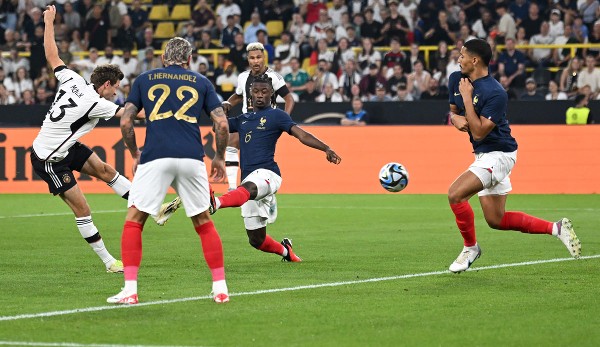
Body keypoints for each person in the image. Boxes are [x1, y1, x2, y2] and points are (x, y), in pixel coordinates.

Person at [30, 6, 179, 275]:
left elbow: (52, 55)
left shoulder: (72, 78)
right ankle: (109, 262)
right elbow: (133, 115)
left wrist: (48, 21)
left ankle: (154, 209)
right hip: (49, 159)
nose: (118, 91)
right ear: (107, 85)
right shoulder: (96, 103)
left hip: (65, 147)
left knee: (106, 171)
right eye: (117, 86)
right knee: (83, 209)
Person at [107, 37, 231, 305]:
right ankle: (220, 288)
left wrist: (134, 153)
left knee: (135, 219)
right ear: (189, 59)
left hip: (156, 156)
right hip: (192, 158)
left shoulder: (145, 78)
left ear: (163, 58)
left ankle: (130, 290)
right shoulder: (202, 82)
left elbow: (127, 120)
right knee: (203, 222)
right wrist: (219, 157)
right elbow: (221, 125)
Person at [446, 38, 581, 273]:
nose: (458, 59)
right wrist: (454, 118)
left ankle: (471, 248)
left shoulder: (496, 93)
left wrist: (467, 98)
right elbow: (453, 113)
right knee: (496, 220)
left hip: (500, 154)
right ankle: (557, 228)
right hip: (483, 155)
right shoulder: (455, 79)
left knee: (455, 195)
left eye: (462, 55)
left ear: (475, 60)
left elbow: (478, 133)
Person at [209, 74, 341, 262]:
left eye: (264, 92)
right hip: (248, 180)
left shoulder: (277, 115)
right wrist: (222, 110)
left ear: (272, 95)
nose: (260, 95)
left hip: (268, 174)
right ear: (250, 95)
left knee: (247, 189)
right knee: (256, 240)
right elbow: (218, 128)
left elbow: (301, 135)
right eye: (256, 92)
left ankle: (217, 203)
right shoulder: (242, 119)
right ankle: (287, 252)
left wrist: (326, 148)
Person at [221, 42, 295, 191]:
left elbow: (289, 98)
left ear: (264, 58)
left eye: (259, 57)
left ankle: (257, 190)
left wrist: (284, 120)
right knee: (231, 143)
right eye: (252, 58)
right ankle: (233, 187)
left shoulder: (273, 77)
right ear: (248, 60)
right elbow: (239, 95)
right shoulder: (243, 77)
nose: (256, 61)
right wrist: (228, 103)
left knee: (257, 159)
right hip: (247, 119)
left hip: (265, 121)